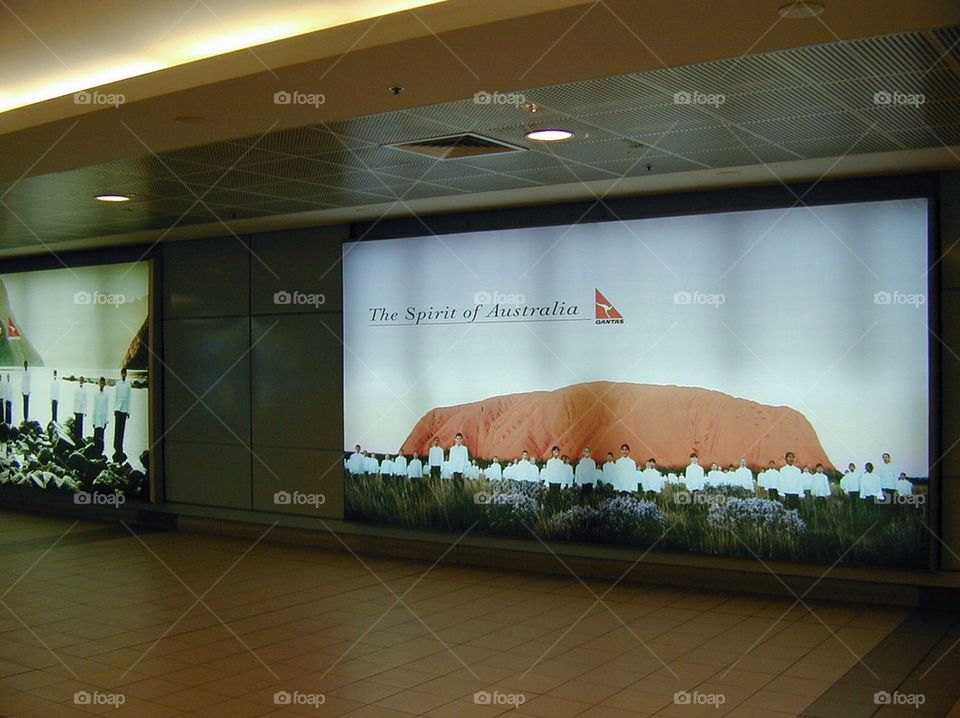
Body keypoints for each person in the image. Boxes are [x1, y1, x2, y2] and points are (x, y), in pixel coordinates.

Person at [113, 368, 132, 456]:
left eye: (125, 373)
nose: (123, 375)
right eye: (122, 373)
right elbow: (116, 397)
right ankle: (116, 446)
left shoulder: (128, 385)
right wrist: (115, 409)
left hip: (124, 408)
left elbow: (129, 398)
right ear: (121, 374)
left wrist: (128, 411)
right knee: (117, 428)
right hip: (118, 408)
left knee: (122, 428)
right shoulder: (118, 384)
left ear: (126, 374)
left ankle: (120, 447)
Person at [92, 377, 109, 455]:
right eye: (100, 383)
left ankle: (101, 452)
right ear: (99, 384)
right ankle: (96, 452)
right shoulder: (96, 395)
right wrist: (93, 420)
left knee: (101, 436)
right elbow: (94, 408)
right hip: (96, 418)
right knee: (96, 436)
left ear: (104, 384)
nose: (101, 385)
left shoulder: (106, 395)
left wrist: (106, 421)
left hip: (102, 419)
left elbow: (106, 408)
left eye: (103, 383)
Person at [73, 377, 88, 443]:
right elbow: (75, 400)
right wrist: (74, 409)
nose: (81, 381)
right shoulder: (76, 389)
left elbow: (85, 401)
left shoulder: (84, 390)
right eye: (80, 380)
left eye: (82, 381)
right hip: (77, 409)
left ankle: (80, 438)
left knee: (80, 425)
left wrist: (85, 411)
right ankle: (76, 439)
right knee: (77, 425)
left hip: (81, 409)